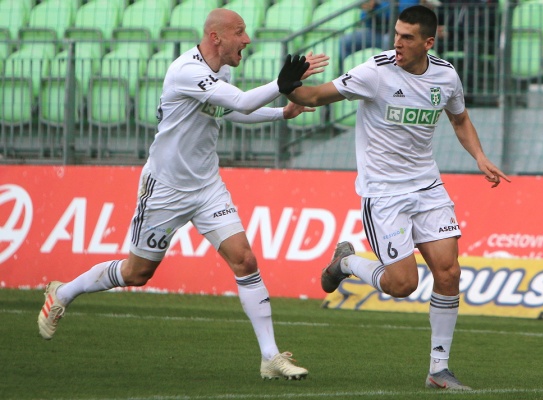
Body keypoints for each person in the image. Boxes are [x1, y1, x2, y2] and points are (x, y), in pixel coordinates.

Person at [37, 8, 328, 381]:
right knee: (137, 273)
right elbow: (241, 102)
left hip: (206, 187)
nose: (247, 39)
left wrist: (281, 114)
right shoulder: (186, 71)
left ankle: (270, 357)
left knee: (245, 260)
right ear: (216, 37)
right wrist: (281, 84)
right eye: (240, 32)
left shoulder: (220, 72)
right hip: (166, 188)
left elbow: (229, 111)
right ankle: (63, 293)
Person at [280, 5, 510, 390]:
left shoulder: (446, 75)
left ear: (428, 42)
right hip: (384, 193)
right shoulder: (375, 72)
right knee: (403, 284)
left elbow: (459, 118)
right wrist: (288, 86)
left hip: (427, 187)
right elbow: (316, 96)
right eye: (396, 34)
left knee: (449, 273)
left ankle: (438, 371)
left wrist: (480, 157)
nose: (397, 43)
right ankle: (347, 263)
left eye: (407, 37)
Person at [339, 0, 421, 70]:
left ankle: (389, 77)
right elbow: (366, 21)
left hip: (401, 34)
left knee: (388, 41)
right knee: (346, 40)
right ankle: (341, 78)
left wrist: (377, 6)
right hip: (378, 32)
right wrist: (369, 10)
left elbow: (404, 14)